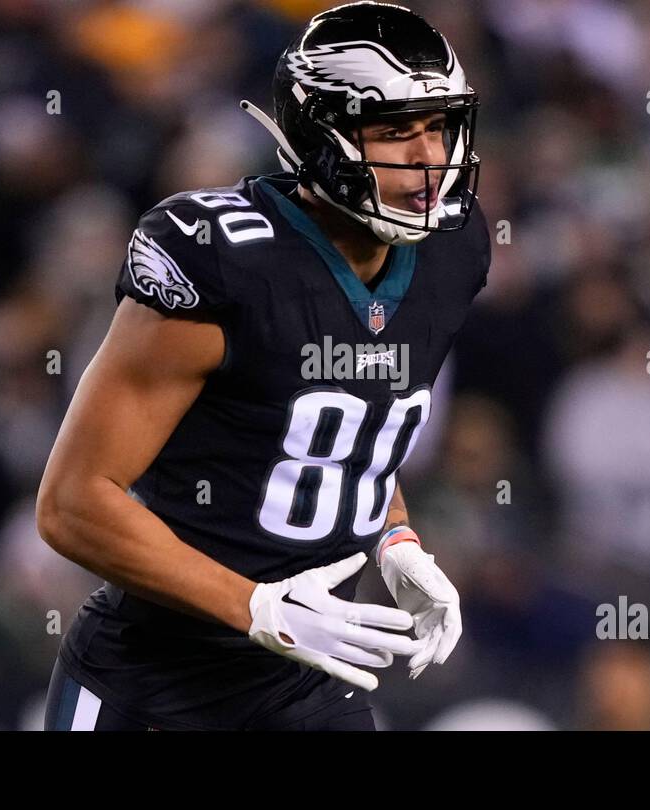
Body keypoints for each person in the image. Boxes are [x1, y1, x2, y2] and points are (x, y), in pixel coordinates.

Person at [38, 1, 489, 731]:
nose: (428, 158)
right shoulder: (226, 262)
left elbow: (339, 434)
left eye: (438, 126)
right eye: (396, 131)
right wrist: (256, 607)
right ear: (324, 135)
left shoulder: (452, 253)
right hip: (152, 681)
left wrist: (396, 537)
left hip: (305, 681)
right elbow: (73, 503)